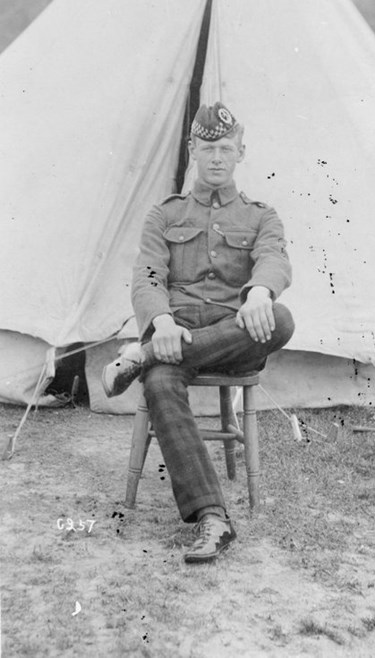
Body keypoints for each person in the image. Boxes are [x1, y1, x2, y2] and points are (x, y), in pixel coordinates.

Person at [102, 102, 294, 563]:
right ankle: (213, 518)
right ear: (192, 149)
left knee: (281, 319)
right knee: (162, 382)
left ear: (241, 153)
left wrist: (260, 293)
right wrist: (162, 321)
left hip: (236, 334)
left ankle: (143, 355)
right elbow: (148, 275)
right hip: (177, 332)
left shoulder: (261, 216)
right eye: (207, 148)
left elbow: (275, 258)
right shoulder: (163, 215)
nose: (215, 158)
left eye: (225, 149)